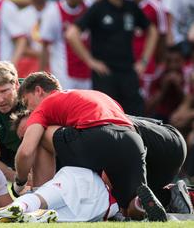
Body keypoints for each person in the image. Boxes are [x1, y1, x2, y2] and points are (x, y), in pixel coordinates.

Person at [15, 71, 167, 221]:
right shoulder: (95, 95)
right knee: (130, 205)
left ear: (38, 91)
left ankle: (40, 200)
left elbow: (26, 151)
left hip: (96, 136)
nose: (30, 110)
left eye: (27, 103)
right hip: (132, 140)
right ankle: (142, 205)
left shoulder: (45, 104)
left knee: (40, 135)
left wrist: (19, 182)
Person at [66, 0, 157, 116]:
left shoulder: (131, 7)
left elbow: (152, 30)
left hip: (129, 72)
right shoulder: (98, 8)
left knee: (136, 117)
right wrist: (90, 61)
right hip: (105, 74)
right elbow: (72, 33)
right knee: (107, 117)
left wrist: (144, 61)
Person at [0, 166, 119, 223]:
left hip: (84, 179)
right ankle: (31, 217)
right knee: (55, 215)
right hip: (104, 206)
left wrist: (20, 183)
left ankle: (21, 207)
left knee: (41, 199)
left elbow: (25, 154)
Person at [39, 0, 91, 90]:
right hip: (63, 74)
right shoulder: (53, 11)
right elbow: (45, 45)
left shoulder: (88, 8)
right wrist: (41, 76)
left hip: (87, 73)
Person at [127, 0, 168, 98]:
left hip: (145, 67)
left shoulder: (155, 7)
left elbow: (162, 37)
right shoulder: (124, 3)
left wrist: (158, 64)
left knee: (144, 109)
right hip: (125, 66)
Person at [17, 0, 50, 78]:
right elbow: (22, 46)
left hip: (56, 64)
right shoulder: (22, 15)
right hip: (32, 66)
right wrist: (43, 55)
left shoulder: (56, 10)